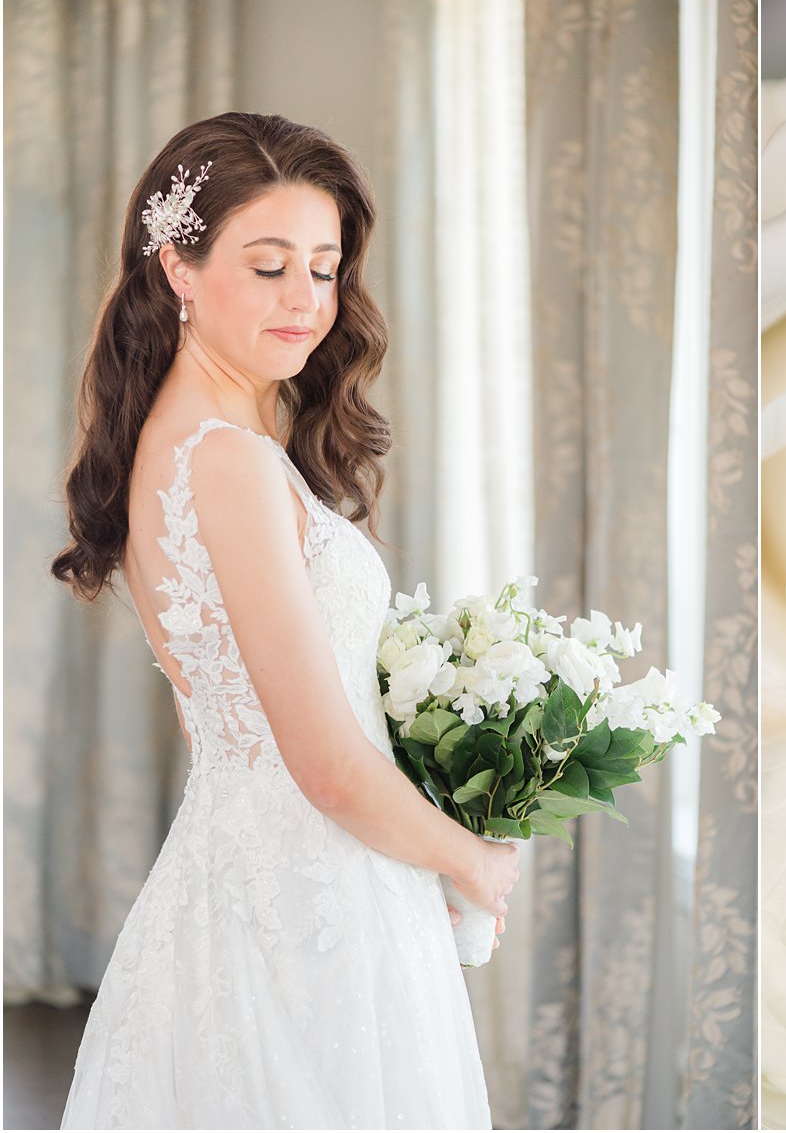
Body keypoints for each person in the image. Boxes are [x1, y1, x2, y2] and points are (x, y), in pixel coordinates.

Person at [49, 112, 519, 1129]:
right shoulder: (224, 461)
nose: (306, 300)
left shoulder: (183, 447)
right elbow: (323, 764)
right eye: (268, 267)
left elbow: (217, 719)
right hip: (308, 904)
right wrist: (467, 855)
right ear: (179, 267)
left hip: (262, 877)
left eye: (324, 266)